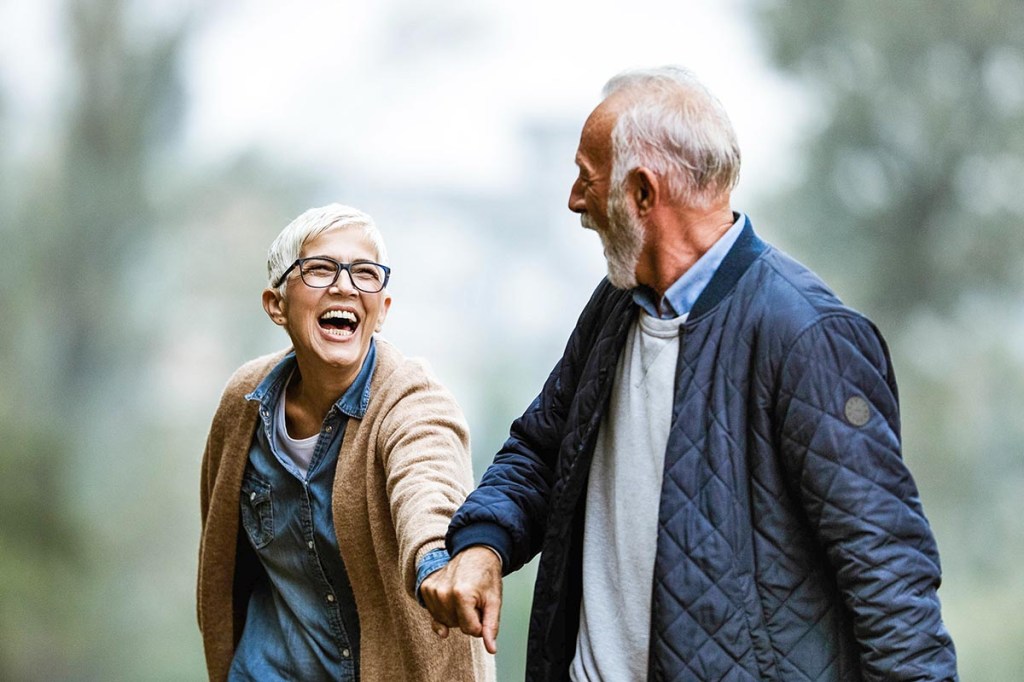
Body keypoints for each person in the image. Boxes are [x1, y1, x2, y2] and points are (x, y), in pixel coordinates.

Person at [420, 67, 958, 681]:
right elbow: (543, 452)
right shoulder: (615, 305)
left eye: (587, 180)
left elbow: (889, 577)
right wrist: (483, 544)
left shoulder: (808, 336)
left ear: (643, 193)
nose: (574, 200)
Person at [197, 204, 494, 681]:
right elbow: (221, 553)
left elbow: (429, 484)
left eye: (364, 273)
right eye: (319, 269)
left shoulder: (414, 402)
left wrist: (437, 561)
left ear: (382, 312)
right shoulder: (243, 404)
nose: (344, 285)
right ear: (276, 305)